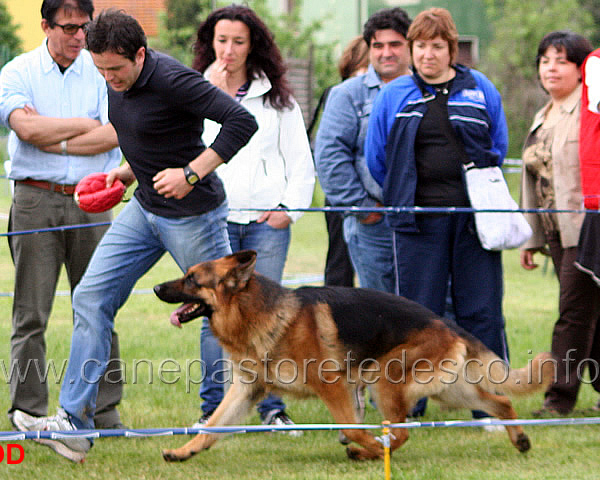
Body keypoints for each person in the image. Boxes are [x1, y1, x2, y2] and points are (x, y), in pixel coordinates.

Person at [23, 8, 257, 463]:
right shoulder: (110, 76)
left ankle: (230, 412)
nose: (108, 78)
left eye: (116, 68)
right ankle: (73, 423)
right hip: (145, 208)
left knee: (226, 315)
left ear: (141, 55)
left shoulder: (174, 80)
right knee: (90, 296)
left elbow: (241, 123)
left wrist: (192, 173)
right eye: (100, 69)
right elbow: (147, 133)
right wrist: (128, 172)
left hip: (194, 215)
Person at [365, 7, 509, 421]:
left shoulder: (480, 88)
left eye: (438, 46)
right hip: (416, 224)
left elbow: (497, 147)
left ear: (452, 48)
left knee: (481, 311)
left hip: (473, 223)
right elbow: (378, 160)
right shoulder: (394, 94)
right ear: (412, 50)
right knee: (415, 314)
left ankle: (489, 408)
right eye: (421, 46)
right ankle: (411, 405)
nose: (429, 54)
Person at [0, 0, 124, 431]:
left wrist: (55, 135)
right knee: (31, 312)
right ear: (46, 25)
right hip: (34, 199)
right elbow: (26, 131)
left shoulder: (103, 69)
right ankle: (28, 410)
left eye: (84, 26)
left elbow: (116, 132)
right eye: (69, 28)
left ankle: (103, 410)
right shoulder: (18, 71)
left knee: (100, 306)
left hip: (93, 200)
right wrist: (84, 126)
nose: (79, 36)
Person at [192, 4, 315, 431]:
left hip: (266, 226)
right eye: (221, 40)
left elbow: (300, 160)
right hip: (213, 220)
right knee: (213, 315)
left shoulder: (278, 99)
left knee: (268, 318)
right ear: (210, 43)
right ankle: (212, 410)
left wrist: (288, 210)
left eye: (238, 42)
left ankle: (271, 409)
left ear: (253, 46)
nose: (228, 50)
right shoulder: (192, 91)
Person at [521, 31, 600, 416]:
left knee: (572, 314)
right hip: (554, 230)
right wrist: (530, 237)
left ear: (582, 69)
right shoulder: (543, 114)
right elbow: (532, 181)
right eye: (545, 60)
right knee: (589, 313)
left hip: (586, 229)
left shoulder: (591, 111)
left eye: (562, 60)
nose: (551, 68)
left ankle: (558, 398)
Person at [315, 7, 412, 295]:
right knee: (381, 311)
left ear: (409, 45)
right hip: (373, 224)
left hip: (422, 221)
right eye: (378, 46)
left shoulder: (425, 89)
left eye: (395, 44)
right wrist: (360, 206)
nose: (386, 53)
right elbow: (330, 156)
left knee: (427, 310)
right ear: (368, 49)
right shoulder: (347, 94)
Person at [308, 35, 368, 288]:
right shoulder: (338, 95)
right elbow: (327, 147)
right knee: (339, 262)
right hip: (343, 193)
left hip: (377, 195)